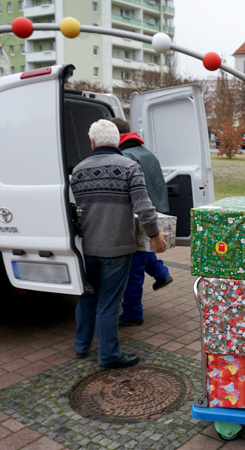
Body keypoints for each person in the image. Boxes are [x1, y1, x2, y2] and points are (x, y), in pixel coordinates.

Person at [70, 119, 166, 369]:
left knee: (87, 298)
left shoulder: (78, 171)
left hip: (85, 251)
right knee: (109, 303)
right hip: (118, 250)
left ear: (92, 142)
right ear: (117, 141)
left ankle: (81, 347)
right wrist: (155, 236)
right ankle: (109, 355)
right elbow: (144, 208)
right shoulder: (129, 167)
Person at [110, 117, 173, 328]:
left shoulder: (125, 156)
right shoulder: (146, 152)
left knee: (132, 270)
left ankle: (132, 313)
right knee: (143, 252)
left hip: (139, 218)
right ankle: (161, 274)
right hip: (155, 214)